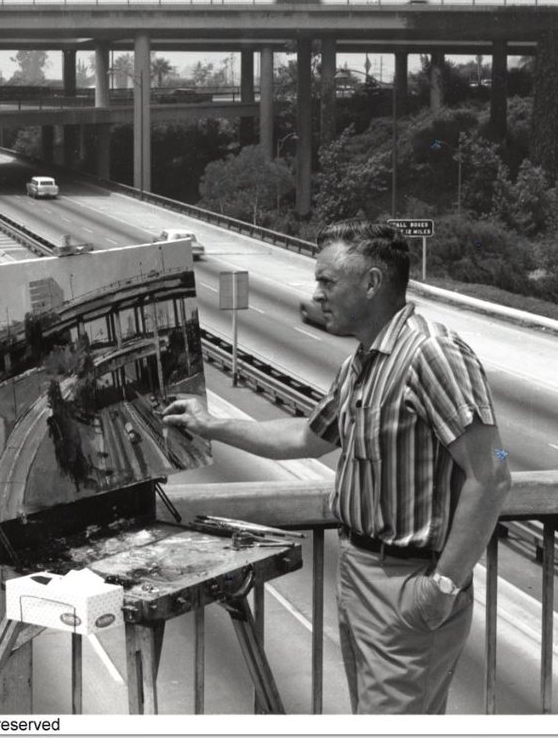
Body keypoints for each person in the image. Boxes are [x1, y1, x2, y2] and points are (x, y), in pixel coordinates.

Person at [163, 219, 511, 714]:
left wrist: (442, 588)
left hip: (408, 582)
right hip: (361, 574)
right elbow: (307, 437)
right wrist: (212, 424)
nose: (317, 293)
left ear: (371, 283)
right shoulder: (363, 364)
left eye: (327, 281)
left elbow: (493, 470)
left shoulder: (430, 354)